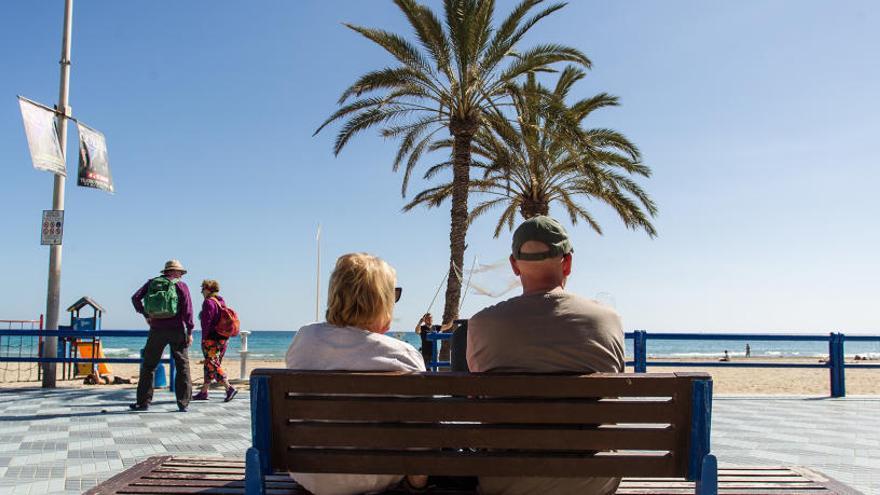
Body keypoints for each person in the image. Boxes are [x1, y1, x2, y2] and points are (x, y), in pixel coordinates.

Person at [467, 216, 625, 495]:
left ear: (515, 266)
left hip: (506, 481)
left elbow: (474, 397)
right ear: (568, 263)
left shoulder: (482, 323)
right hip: (592, 482)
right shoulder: (608, 320)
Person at [285, 253, 427, 495]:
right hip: (377, 477)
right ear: (382, 301)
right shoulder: (403, 355)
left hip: (310, 475)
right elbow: (424, 432)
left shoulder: (304, 339)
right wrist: (416, 484)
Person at [130, 259, 194, 412]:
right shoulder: (181, 285)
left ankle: (143, 402)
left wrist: (146, 314)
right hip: (177, 329)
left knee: (148, 366)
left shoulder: (152, 283)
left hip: (156, 329)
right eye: (180, 272)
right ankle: (183, 403)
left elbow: (135, 298)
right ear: (175, 272)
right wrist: (190, 331)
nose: (181, 275)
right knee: (182, 366)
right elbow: (188, 310)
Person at [192, 279, 237, 402]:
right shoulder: (221, 301)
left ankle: (229, 388)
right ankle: (204, 392)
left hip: (211, 340)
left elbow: (206, 323)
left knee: (212, 364)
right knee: (209, 365)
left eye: (202, 289)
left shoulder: (208, 303)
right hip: (223, 339)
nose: (201, 291)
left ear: (207, 289)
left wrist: (203, 339)